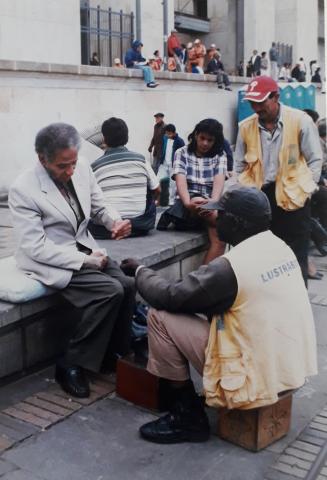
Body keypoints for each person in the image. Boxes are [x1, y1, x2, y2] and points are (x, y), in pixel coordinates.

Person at [120, 184, 317, 444]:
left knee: (160, 318)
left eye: (220, 215)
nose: (215, 219)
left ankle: (187, 416)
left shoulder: (230, 268)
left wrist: (140, 270)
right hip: (287, 370)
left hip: (253, 380)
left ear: (236, 223)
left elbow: (168, 296)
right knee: (209, 317)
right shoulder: (279, 246)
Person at [8, 123, 135, 398]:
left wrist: (115, 221)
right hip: (50, 259)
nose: (70, 171)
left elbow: (99, 204)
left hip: (86, 247)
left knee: (127, 285)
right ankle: (70, 363)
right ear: (43, 159)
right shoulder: (23, 189)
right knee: (109, 292)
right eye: (62, 166)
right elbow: (35, 247)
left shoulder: (82, 166)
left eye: (73, 163)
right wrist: (86, 261)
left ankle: (113, 354)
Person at [235, 76, 322, 284]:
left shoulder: (300, 120)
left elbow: (315, 159)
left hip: (294, 199)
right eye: (252, 103)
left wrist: (305, 191)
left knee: (295, 255)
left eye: (261, 102)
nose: (256, 108)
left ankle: (297, 308)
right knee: (263, 257)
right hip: (259, 198)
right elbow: (239, 166)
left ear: (276, 97)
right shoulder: (245, 127)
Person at [157, 118, 227, 264]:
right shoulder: (181, 152)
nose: (205, 143)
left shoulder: (220, 155)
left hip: (210, 206)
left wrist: (212, 203)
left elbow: (218, 184)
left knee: (220, 241)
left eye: (210, 140)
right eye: (202, 138)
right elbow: (180, 181)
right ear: (195, 135)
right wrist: (189, 203)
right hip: (187, 204)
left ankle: (203, 279)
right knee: (198, 201)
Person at [89, 117, 160, 238]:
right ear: (127, 137)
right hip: (139, 225)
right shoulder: (141, 159)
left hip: (106, 229)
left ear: (104, 139)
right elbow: (157, 190)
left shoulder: (94, 166)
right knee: (150, 186)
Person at [158, 124, 185, 206]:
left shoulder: (180, 141)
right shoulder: (164, 139)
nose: (167, 135)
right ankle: (157, 200)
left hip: (173, 165)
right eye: (166, 133)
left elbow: (183, 153)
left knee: (172, 184)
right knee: (157, 180)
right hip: (164, 164)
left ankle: (171, 201)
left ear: (173, 133)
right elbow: (161, 148)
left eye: (169, 133)